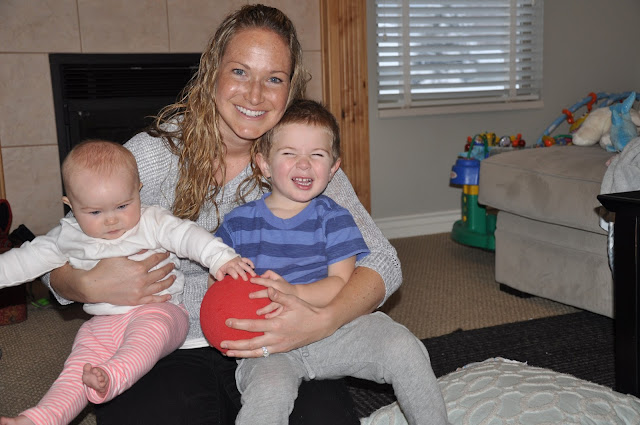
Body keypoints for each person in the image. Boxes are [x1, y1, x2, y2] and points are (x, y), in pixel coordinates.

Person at [44, 4, 403, 424]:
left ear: (290, 89)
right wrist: (86, 282)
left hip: (282, 339)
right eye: (240, 72)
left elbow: (383, 260)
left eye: (274, 78)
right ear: (212, 72)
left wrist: (323, 321)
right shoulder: (153, 155)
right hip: (165, 338)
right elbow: (54, 256)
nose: (255, 95)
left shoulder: (303, 163)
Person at [214, 99, 449, 425]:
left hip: (336, 332)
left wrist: (294, 292)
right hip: (271, 343)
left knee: (403, 346)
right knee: (268, 390)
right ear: (264, 164)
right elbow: (220, 286)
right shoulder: (238, 224)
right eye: (289, 153)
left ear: (334, 168)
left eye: (317, 155)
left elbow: (340, 282)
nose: (304, 164)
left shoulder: (335, 218)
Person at [0, 140, 254, 425]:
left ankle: (114, 377)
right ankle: (37, 419)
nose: (111, 220)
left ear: (138, 191)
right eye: (95, 212)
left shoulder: (152, 220)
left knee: (145, 338)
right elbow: (24, 259)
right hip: (104, 323)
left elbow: (187, 235)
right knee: (77, 369)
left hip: (162, 312)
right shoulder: (67, 235)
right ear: (70, 206)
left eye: (122, 206)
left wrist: (221, 258)